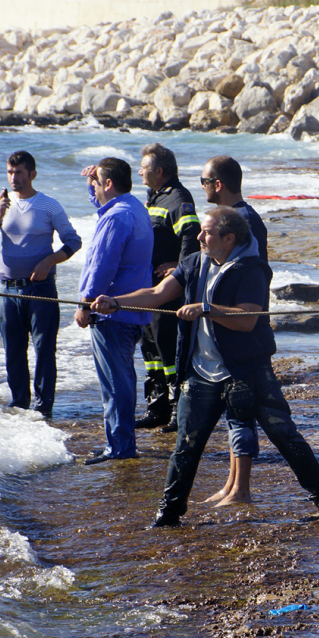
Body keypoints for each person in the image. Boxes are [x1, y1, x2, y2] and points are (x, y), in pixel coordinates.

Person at [93, 208, 319, 525]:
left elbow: (248, 320)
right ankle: (168, 514)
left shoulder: (252, 269)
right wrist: (115, 302)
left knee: (285, 436)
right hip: (200, 372)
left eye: (207, 232)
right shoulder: (194, 261)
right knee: (186, 443)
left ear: (229, 238)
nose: (199, 237)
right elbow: (157, 294)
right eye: (200, 231)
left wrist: (206, 309)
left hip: (247, 370)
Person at [0, 151, 82, 418]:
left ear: (32, 174)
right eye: (10, 172)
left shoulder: (49, 205)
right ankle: (20, 404)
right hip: (9, 289)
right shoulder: (0, 203)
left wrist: (49, 262)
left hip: (41, 290)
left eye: (19, 172)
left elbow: (73, 241)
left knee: (44, 349)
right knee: (13, 350)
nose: (14, 178)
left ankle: (43, 408)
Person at [197, 154, 268, 506]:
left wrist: (219, 310)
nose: (204, 188)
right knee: (235, 413)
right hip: (229, 326)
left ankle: (241, 489)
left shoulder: (244, 220)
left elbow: (250, 277)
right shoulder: (240, 218)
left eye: (205, 182)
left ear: (218, 184)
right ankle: (231, 484)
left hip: (242, 330)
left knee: (245, 413)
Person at [75, 158, 154, 465]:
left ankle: (120, 446)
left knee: (115, 382)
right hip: (128, 311)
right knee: (120, 378)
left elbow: (102, 266)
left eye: (96, 182)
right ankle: (118, 442)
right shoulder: (133, 207)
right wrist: (91, 180)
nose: (92, 189)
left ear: (108, 184)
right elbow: (98, 199)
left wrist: (85, 304)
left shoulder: (116, 217)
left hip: (112, 312)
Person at [135, 143, 200, 432]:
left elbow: (193, 237)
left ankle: (177, 411)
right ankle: (157, 407)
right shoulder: (156, 198)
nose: (140, 172)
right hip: (151, 289)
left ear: (159, 171)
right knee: (151, 351)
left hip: (168, 292)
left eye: (144, 169)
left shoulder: (178, 198)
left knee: (170, 352)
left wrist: (179, 267)